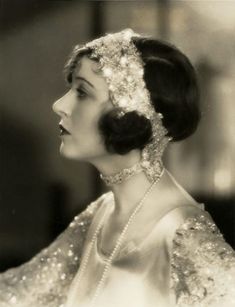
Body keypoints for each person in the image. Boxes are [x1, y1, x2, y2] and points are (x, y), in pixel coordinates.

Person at [0, 29, 235, 307]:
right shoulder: (100, 213)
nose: (59, 105)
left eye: (82, 92)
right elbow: (20, 293)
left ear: (128, 116)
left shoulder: (182, 234)